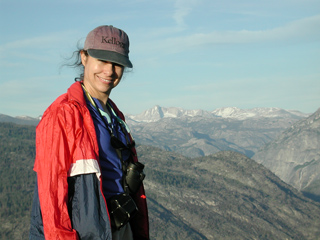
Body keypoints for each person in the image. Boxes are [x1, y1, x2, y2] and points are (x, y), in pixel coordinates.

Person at [29, 25, 149, 240]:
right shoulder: (63, 114)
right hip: (85, 233)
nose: (109, 71)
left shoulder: (115, 116)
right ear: (84, 57)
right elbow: (51, 196)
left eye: (117, 64)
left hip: (119, 227)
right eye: (102, 60)